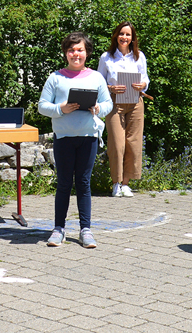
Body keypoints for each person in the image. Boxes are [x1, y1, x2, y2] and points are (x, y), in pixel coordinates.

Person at [39, 32, 112, 248]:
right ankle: (58, 229)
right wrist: (60, 109)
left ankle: (85, 230)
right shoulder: (56, 77)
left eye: (80, 50)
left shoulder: (96, 77)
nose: (75, 54)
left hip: (88, 137)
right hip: (64, 138)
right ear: (65, 53)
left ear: (87, 52)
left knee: (83, 183)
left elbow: (108, 104)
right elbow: (42, 106)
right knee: (63, 184)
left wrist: (98, 108)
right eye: (71, 50)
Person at [97, 22, 149, 198]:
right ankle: (116, 183)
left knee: (133, 143)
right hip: (114, 102)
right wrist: (110, 88)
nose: (124, 38)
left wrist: (143, 84)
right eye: (121, 34)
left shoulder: (139, 56)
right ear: (116, 36)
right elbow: (99, 81)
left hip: (135, 102)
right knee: (116, 143)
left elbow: (146, 80)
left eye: (128, 35)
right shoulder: (106, 57)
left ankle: (126, 183)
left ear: (132, 38)